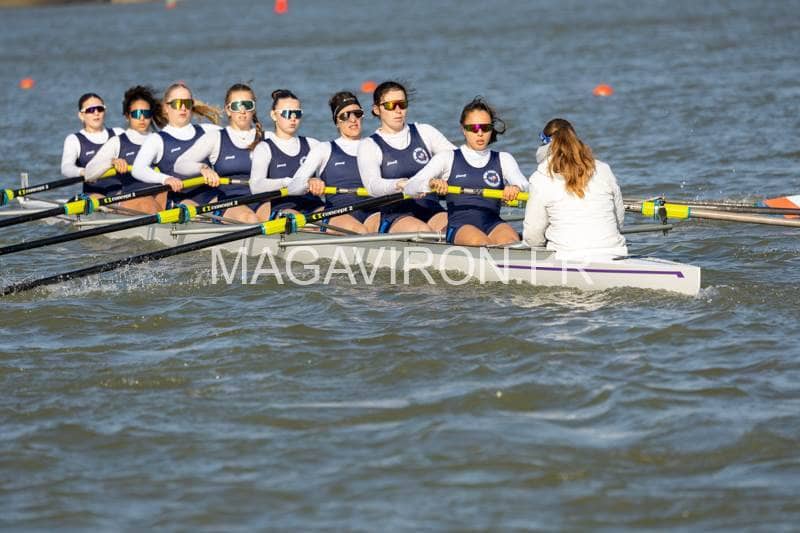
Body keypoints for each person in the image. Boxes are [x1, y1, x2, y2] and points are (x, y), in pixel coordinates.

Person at [402, 97, 527, 245]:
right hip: (459, 226)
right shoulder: (447, 158)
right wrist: (431, 184)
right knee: (480, 241)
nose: (480, 133)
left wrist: (516, 188)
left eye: (485, 127)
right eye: (473, 128)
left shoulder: (504, 159)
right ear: (463, 129)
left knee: (511, 241)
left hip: (493, 223)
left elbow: (527, 187)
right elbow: (410, 186)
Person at [356, 80, 455, 233]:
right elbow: (372, 186)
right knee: (422, 230)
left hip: (431, 209)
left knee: (455, 225)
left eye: (402, 104)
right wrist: (400, 184)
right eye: (390, 105)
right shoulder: (369, 145)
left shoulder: (425, 132)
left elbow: (458, 160)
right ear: (376, 109)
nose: (398, 110)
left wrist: (443, 179)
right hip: (396, 214)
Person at [522, 118, 627, 259]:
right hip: (615, 252)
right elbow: (619, 219)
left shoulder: (539, 179)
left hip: (566, 256)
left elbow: (532, 235)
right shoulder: (603, 169)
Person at [174, 83, 262, 223]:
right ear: (228, 110)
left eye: (247, 105)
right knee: (250, 219)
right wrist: (202, 169)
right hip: (229, 201)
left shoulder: (267, 138)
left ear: (253, 108)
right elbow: (180, 164)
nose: (242, 111)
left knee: (281, 218)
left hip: (262, 199)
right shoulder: (215, 137)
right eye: (237, 106)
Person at [287, 91, 373, 234]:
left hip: (372, 211)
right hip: (337, 214)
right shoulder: (324, 149)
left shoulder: (375, 146)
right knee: (360, 231)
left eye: (357, 113)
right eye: (345, 116)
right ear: (337, 122)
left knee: (386, 230)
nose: (353, 119)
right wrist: (309, 182)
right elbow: (293, 186)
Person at [131, 82, 221, 210]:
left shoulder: (208, 130)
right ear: (166, 108)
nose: (183, 108)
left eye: (187, 103)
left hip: (213, 195)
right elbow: (138, 169)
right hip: (181, 200)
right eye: (177, 103)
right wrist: (165, 179)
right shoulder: (157, 140)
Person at [85, 86, 165, 214]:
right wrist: (112, 162)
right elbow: (89, 173)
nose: (142, 118)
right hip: (128, 198)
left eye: (146, 113)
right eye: (136, 114)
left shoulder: (162, 140)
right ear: (127, 116)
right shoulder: (117, 142)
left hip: (157, 198)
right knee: (147, 202)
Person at [249, 89, 322, 221]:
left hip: (313, 205)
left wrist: (319, 183)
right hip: (284, 207)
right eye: (287, 113)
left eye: (297, 113)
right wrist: (289, 182)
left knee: (338, 218)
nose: (293, 118)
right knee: (299, 219)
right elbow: (256, 186)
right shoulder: (264, 148)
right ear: (274, 115)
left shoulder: (313, 144)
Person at [60, 93, 124, 197]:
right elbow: (66, 168)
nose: (96, 113)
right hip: (94, 195)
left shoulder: (118, 133)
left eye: (100, 109)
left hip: (122, 192)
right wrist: (85, 172)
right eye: (90, 110)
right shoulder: (74, 139)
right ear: (81, 115)